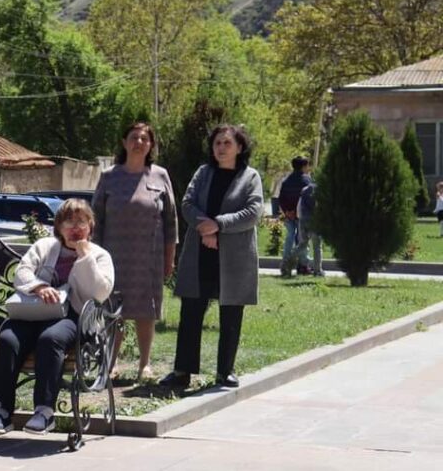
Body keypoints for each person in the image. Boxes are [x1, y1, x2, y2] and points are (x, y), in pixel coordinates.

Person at [0, 199, 114, 437]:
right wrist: (39, 287)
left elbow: (98, 293)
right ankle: (1, 413)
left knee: (50, 338)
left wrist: (84, 257)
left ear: (90, 226)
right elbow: (22, 272)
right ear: (59, 226)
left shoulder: (100, 256)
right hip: (34, 312)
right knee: (7, 339)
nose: (75, 227)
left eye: (81, 222)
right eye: (69, 221)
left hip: (75, 316)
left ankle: (44, 413)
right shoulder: (44, 246)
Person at [160, 125, 263, 390]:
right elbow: (187, 204)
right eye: (217, 143)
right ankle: (182, 371)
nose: (221, 148)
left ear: (240, 147)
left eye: (227, 143)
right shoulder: (203, 173)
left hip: (234, 257)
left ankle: (225, 371)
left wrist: (218, 225)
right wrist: (204, 227)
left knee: (231, 314)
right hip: (200, 254)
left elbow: (253, 212)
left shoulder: (250, 177)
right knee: (191, 312)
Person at [91, 122, 177, 381]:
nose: (139, 142)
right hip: (113, 257)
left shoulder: (160, 176)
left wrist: (169, 259)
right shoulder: (109, 176)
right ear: (124, 142)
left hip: (148, 257)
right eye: (133, 138)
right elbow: (96, 220)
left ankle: (144, 364)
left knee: (145, 311)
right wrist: (93, 257)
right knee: (113, 310)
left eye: (144, 139)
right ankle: (111, 363)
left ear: (151, 145)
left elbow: (171, 221)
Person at [278, 155, 313, 277]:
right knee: (303, 240)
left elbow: (281, 198)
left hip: (289, 214)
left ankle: (285, 264)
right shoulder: (306, 180)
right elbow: (308, 197)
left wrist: (287, 211)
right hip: (302, 214)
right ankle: (303, 265)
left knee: (289, 238)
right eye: (307, 165)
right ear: (303, 166)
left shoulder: (287, 180)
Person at [297, 181, 324, 277]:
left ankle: (289, 264)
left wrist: (300, 218)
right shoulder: (321, 191)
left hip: (303, 220)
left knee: (302, 245)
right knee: (317, 247)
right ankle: (317, 271)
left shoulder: (304, 190)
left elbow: (299, 206)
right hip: (315, 221)